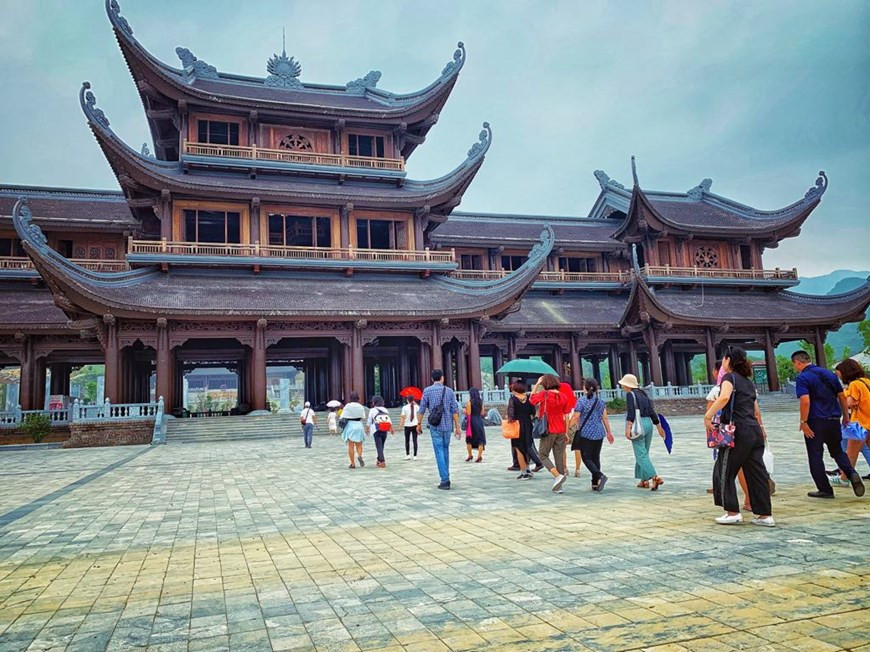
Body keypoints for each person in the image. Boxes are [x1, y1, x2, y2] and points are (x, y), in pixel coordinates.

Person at [704, 346, 775, 526]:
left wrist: (707, 416)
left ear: (728, 360)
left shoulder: (730, 378)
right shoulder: (747, 381)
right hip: (753, 430)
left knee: (724, 469)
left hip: (738, 431)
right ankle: (765, 515)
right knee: (756, 473)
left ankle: (732, 511)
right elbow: (755, 409)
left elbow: (724, 397)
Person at [792, 350, 864, 498]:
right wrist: (845, 416)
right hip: (833, 419)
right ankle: (852, 473)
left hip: (815, 421)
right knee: (837, 451)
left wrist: (803, 422)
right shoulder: (830, 374)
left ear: (798, 362)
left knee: (815, 455)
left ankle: (825, 489)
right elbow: (842, 397)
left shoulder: (803, 378)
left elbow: (805, 401)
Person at [619, 374, 666, 491]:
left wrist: (628, 428)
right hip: (648, 424)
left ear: (627, 385)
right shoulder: (644, 394)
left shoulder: (630, 395)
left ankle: (654, 477)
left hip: (637, 425)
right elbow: (651, 410)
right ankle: (644, 481)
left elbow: (631, 412)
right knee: (644, 453)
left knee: (641, 455)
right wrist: (658, 426)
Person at [417, 369, 461, 490]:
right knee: (445, 450)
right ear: (442, 378)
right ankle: (446, 476)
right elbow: (455, 410)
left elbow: (421, 409)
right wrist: (458, 427)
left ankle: (445, 479)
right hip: (447, 426)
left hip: (435, 425)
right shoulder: (449, 391)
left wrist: (418, 423)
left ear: (432, 379)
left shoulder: (427, 391)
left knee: (439, 451)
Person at [529, 373, 573, 493]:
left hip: (549, 429)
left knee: (542, 454)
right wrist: (566, 432)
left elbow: (531, 400)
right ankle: (559, 487)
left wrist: (537, 384)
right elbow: (566, 415)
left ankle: (557, 476)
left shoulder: (544, 394)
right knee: (559, 457)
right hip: (561, 429)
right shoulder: (563, 396)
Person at [569, 378, 614, 492]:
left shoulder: (582, 401)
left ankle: (599, 475)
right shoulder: (600, 401)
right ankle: (595, 483)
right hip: (599, 433)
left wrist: (567, 427)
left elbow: (575, 416)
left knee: (586, 458)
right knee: (596, 457)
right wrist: (609, 432)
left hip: (586, 433)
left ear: (585, 387)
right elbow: (605, 417)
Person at [833, 359, 870, 483]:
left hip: (859, 423)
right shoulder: (866, 382)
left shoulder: (854, 384)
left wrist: (842, 395)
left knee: (850, 453)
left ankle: (844, 478)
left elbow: (849, 403)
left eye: (839, 374)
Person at [507, 380, 536, 479]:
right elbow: (533, 412)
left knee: (519, 449)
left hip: (517, 425)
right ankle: (527, 469)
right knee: (527, 447)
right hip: (528, 424)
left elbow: (511, 415)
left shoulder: (513, 399)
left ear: (515, 389)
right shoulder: (529, 398)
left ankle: (524, 472)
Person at [341, 391, 367, 469]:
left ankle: (352, 463)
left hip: (350, 425)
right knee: (359, 445)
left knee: (351, 446)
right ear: (358, 398)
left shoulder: (347, 406)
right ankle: (359, 456)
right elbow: (363, 417)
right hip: (358, 424)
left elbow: (342, 416)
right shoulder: (360, 406)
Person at [367, 395, 393, 468]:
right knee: (381, 445)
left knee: (379, 445)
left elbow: (369, 420)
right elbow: (389, 419)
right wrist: (391, 428)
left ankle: (382, 461)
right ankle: (379, 459)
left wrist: (367, 427)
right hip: (385, 428)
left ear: (374, 402)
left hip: (377, 429)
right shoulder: (385, 409)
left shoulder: (372, 410)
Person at [465, 387, 487, 463]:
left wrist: (464, 411)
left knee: (469, 439)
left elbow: (468, 413)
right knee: (480, 439)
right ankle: (479, 456)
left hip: (472, 421)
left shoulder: (469, 402)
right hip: (479, 420)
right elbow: (482, 413)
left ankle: (470, 455)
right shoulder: (481, 402)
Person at [399, 395, 420, 460]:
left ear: (407, 400)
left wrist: (400, 425)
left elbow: (402, 417)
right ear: (413, 400)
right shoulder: (416, 407)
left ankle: (408, 455)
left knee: (407, 440)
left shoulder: (404, 407)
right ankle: (415, 456)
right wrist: (415, 403)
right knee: (415, 440)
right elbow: (420, 410)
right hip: (415, 425)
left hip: (407, 425)